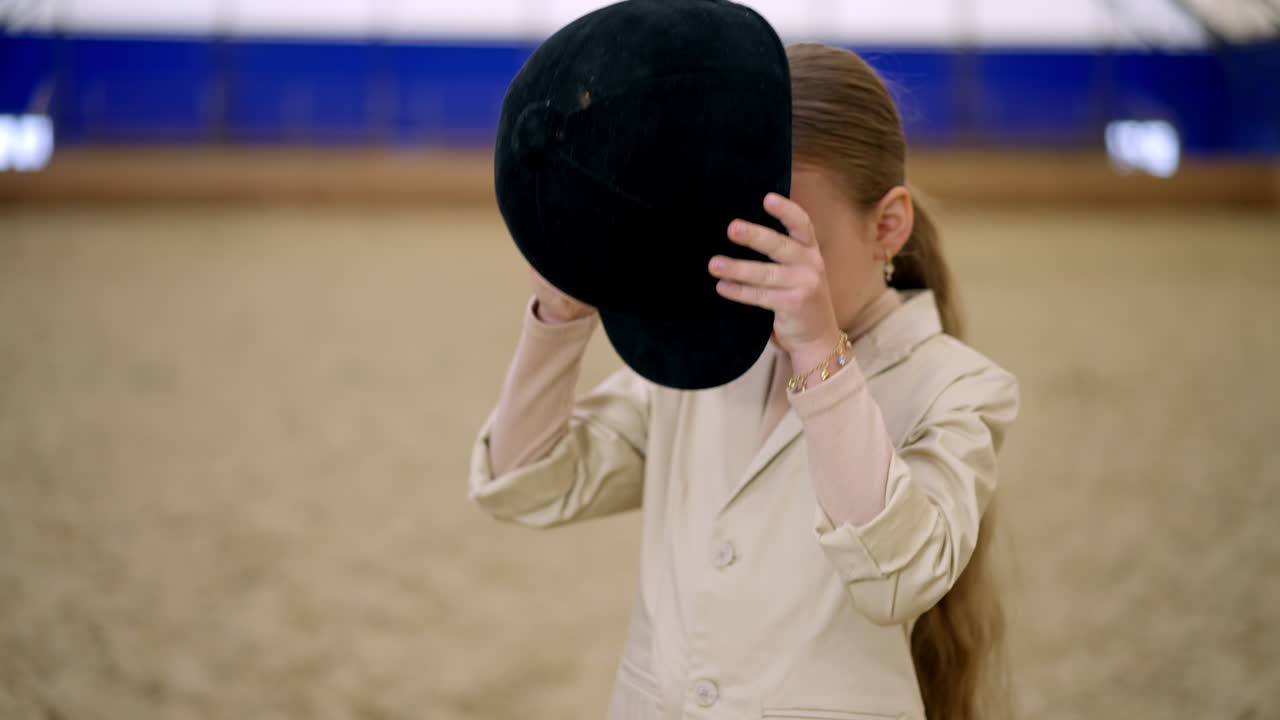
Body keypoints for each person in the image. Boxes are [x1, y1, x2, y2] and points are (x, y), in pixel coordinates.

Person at [468, 42, 1019, 720]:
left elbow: (898, 577)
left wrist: (819, 352)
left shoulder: (960, 387)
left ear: (888, 225)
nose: (758, 264)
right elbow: (525, 483)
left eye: (784, 237)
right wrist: (560, 311)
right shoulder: (700, 362)